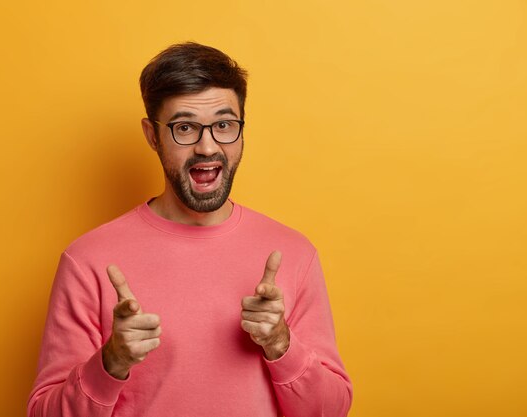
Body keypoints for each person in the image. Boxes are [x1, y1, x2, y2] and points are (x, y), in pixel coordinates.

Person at [27, 42, 352, 417]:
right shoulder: (88, 261)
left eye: (224, 125)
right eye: (185, 128)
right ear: (152, 136)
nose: (207, 146)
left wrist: (281, 345)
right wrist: (111, 364)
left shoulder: (294, 253)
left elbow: (332, 410)